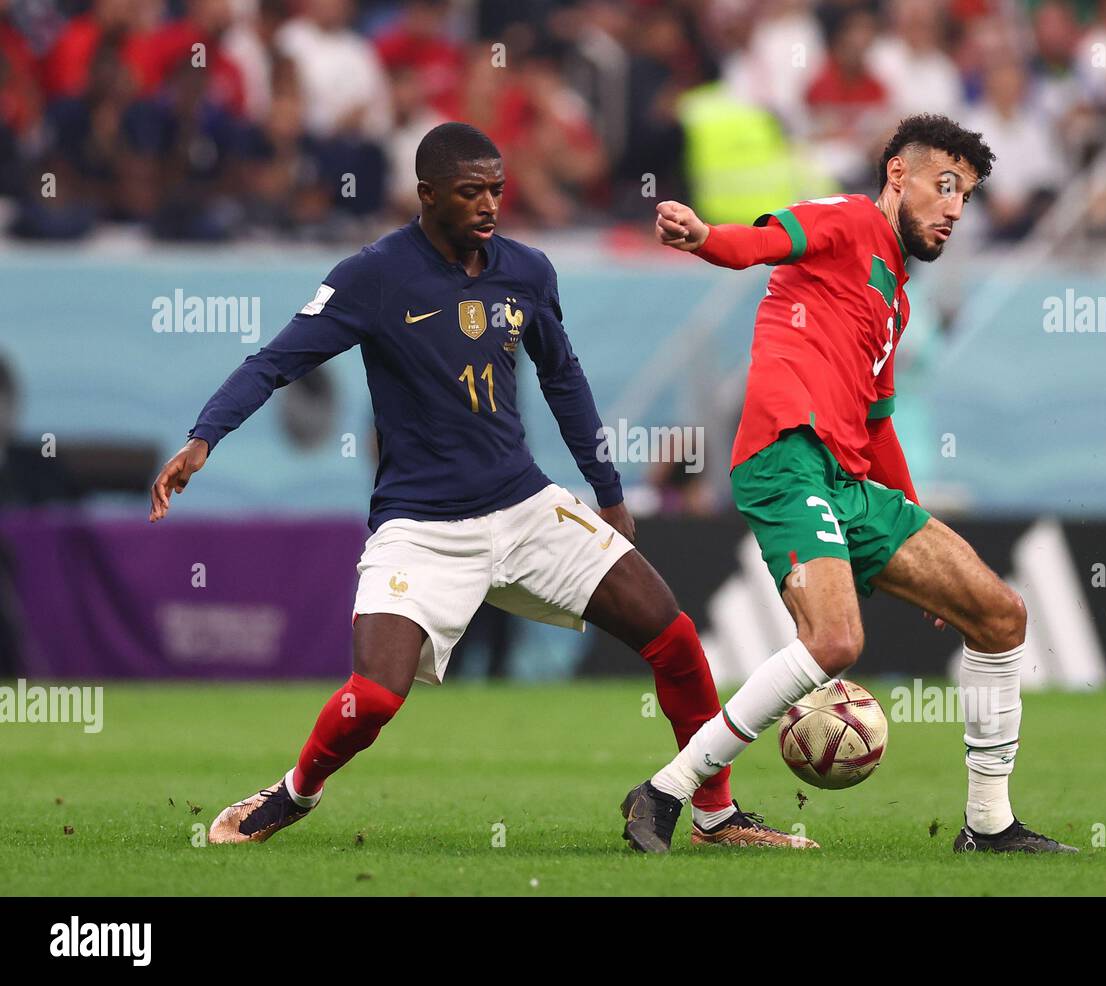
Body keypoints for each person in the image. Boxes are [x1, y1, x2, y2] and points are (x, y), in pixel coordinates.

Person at [148, 122, 808, 850]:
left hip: (525, 507)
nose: (489, 205)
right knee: (372, 698)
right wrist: (205, 436)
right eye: (470, 192)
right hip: (421, 529)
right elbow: (274, 361)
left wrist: (608, 492)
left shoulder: (526, 272)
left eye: (497, 188)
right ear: (427, 196)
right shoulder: (373, 277)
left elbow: (563, 377)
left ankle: (714, 814)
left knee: (675, 639)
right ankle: (295, 792)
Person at [623, 114, 1077, 855]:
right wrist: (704, 236)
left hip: (847, 476)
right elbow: (761, 243)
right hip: (784, 456)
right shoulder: (846, 218)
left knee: (1000, 616)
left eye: (967, 196)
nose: (957, 209)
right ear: (898, 175)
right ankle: (666, 791)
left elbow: (877, 428)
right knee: (834, 639)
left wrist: (921, 547)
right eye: (946, 186)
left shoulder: (895, 300)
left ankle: (989, 827)